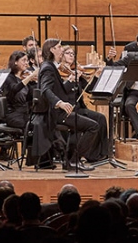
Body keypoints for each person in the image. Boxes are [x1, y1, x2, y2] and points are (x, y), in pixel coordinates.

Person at [34, 38, 102, 168]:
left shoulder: (50, 66)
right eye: (59, 47)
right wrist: (59, 103)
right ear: (52, 50)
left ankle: (69, 162)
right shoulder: (48, 68)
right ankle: (74, 160)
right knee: (93, 126)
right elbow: (46, 90)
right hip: (55, 114)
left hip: (58, 112)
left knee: (78, 127)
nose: (61, 49)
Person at [1, 50, 36, 130]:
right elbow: (15, 89)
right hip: (14, 115)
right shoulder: (9, 77)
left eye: (27, 60)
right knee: (34, 126)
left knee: (42, 122)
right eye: (24, 60)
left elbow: (31, 97)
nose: (27, 63)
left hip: (26, 113)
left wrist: (34, 82)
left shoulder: (25, 78)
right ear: (15, 62)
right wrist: (29, 78)